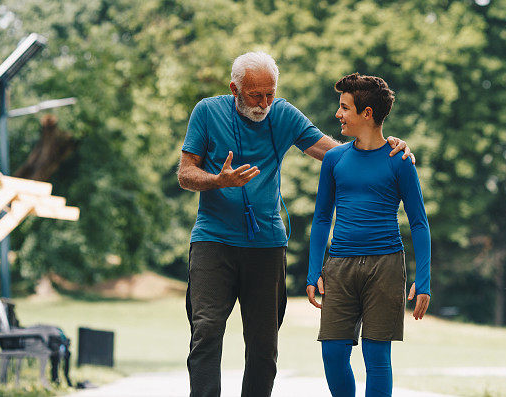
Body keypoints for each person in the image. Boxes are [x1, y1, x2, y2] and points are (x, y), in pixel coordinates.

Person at [177, 52, 413, 397]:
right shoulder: (207, 112)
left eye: (270, 93)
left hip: (267, 245)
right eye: (255, 95)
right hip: (214, 241)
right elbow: (185, 174)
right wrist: (218, 180)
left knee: (263, 346)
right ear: (234, 89)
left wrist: (383, 146)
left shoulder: (283, 114)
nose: (264, 103)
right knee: (206, 331)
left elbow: (336, 153)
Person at [306, 73, 431, 397]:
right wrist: (313, 270)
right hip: (340, 266)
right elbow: (321, 219)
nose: (338, 114)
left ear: (367, 113)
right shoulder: (334, 158)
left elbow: (418, 222)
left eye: (345, 108)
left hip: (385, 268)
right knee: (332, 353)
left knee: (376, 357)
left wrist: (424, 279)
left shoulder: (400, 160)